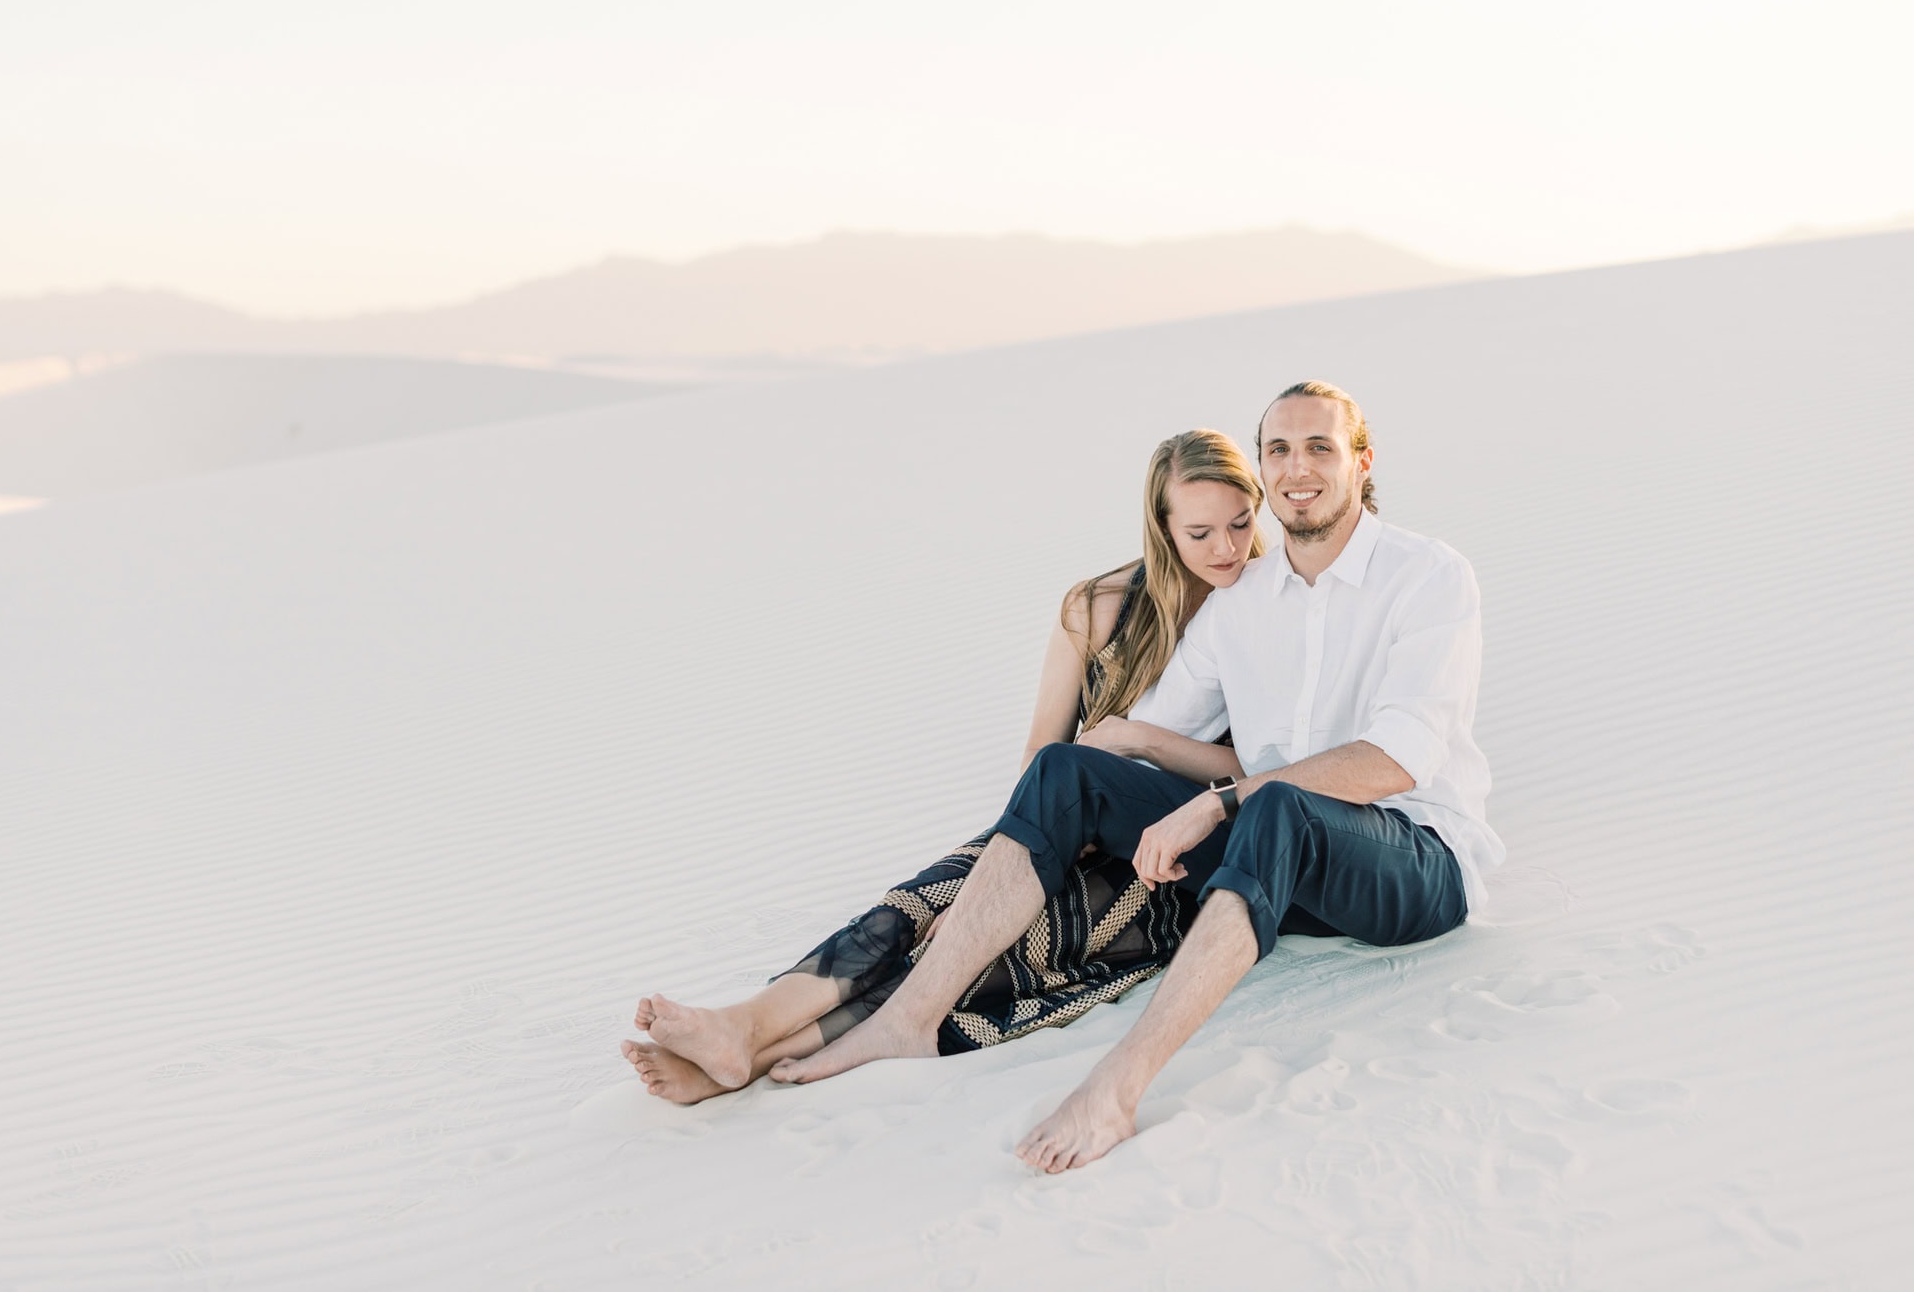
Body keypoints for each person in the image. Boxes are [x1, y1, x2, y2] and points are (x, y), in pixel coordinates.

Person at [769, 381, 1504, 1176]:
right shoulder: (1243, 601)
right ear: (1263, 471)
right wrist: (985, 874)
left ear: (1362, 461)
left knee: (1279, 806)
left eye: (1320, 446)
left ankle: (1116, 1088)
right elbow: (1135, 752)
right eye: (1279, 450)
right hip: (1273, 872)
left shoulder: (1428, 575)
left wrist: (1218, 805)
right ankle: (910, 1018)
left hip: (1413, 866)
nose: (1299, 468)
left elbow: (1397, 758)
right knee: (1066, 771)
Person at [621, 430, 1270, 1103]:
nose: (1226, 549)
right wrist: (998, 869)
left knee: (1001, 950)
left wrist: (1139, 740)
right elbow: (1041, 762)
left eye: (1240, 523)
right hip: (1062, 824)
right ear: (1161, 529)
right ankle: (742, 1025)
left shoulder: (1269, 609)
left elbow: (1265, 770)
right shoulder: (1100, 608)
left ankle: (756, 1058)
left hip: (1170, 860)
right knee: (921, 906)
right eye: (1199, 532)